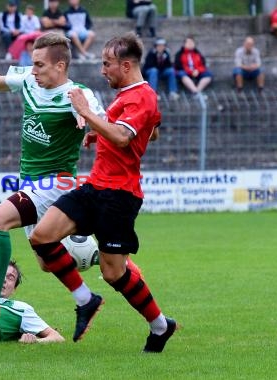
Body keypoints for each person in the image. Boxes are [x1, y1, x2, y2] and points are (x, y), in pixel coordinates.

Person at [0, 33, 112, 341]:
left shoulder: (77, 94)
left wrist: (88, 122)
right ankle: (88, 293)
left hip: (56, 182)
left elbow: (103, 124)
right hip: (30, 182)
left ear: (60, 65)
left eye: (40, 65)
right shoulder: (30, 80)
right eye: (33, 63)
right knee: (45, 260)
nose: (34, 69)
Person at [27, 32, 177, 352]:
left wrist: (87, 113)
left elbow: (125, 137)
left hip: (119, 196)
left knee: (113, 273)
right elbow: (152, 134)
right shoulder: (127, 96)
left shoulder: (143, 96)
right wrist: (100, 135)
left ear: (125, 65)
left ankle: (161, 326)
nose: (102, 70)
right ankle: (86, 300)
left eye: (107, 64)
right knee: (41, 236)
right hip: (95, 186)